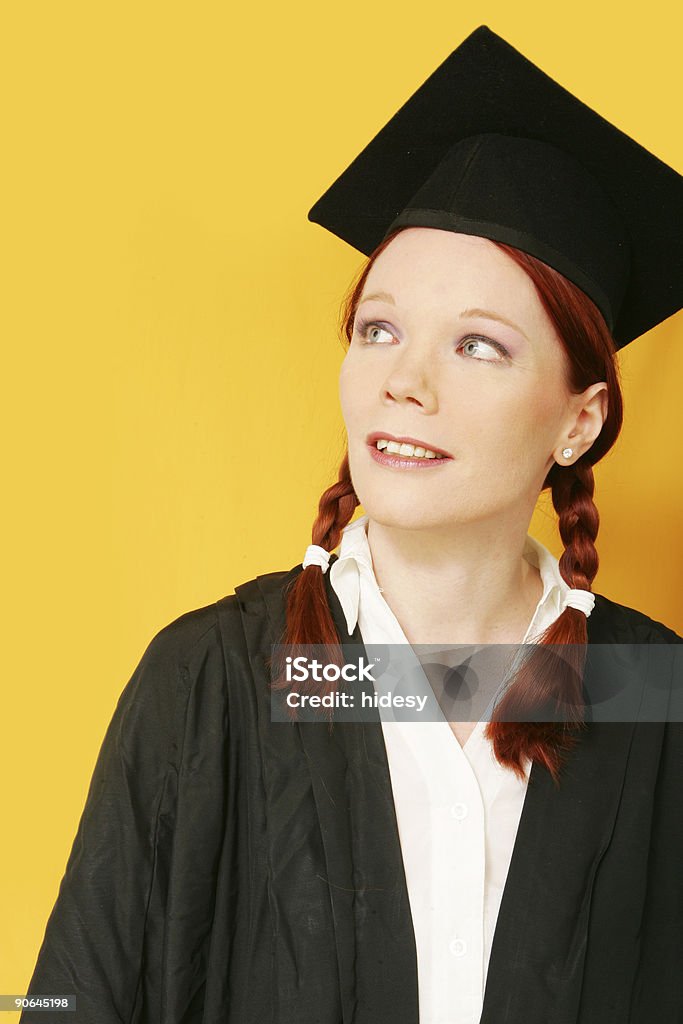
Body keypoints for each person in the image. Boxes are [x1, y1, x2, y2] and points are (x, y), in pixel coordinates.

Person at [20, 25, 683, 1024]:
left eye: (476, 344)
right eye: (377, 328)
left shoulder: (650, 696)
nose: (400, 382)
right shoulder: (214, 682)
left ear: (578, 419)